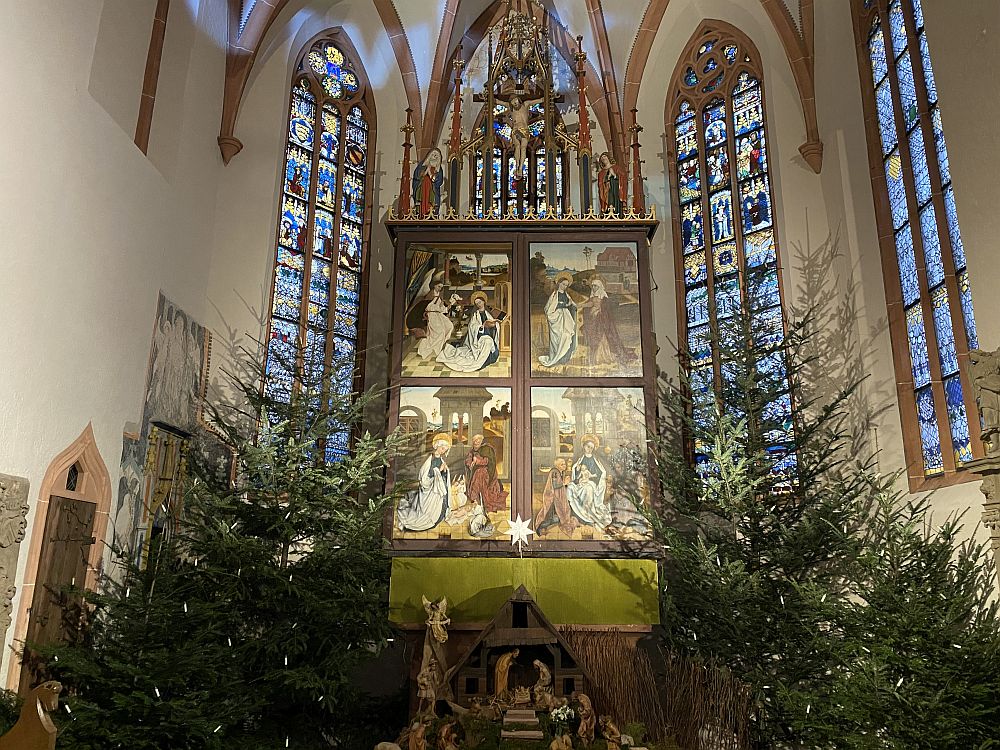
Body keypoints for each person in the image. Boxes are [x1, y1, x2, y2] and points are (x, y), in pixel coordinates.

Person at [397, 434, 453, 532]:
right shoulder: (430, 458)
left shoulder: (440, 458)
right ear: (438, 445)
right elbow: (425, 476)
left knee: (440, 507)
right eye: (442, 448)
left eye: (445, 450)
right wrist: (439, 470)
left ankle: (436, 519)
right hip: (430, 489)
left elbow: (441, 472)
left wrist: (445, 470)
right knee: (425, 514)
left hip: (437, 488)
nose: (443, 451)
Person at [578, 278, 636, 368]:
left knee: (603, 337)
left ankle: (605, 356)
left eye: (595, 286)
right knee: (594, 336)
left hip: (602, 321)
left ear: (600, 286)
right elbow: (590, 304)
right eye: (593, 286)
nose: (593, 287)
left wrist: (598, 311)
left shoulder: (603, 297)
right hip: (595, 319)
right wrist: (580, 305)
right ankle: (596, 357)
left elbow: (605, 309)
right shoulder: (593, 296)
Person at [436, 292, 500, 372]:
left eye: (480, 302)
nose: (479, 304)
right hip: (479, 336)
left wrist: (494, 324)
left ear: (484, 302)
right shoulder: (475, 314)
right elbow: (472, 326)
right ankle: (480, 361)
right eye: (477, 303)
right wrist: (481, 327)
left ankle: (487, 357)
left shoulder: (488, 313)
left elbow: (494, 323)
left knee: (491, 345)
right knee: (487, 341)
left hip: (489, 333)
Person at [566, 435, 612, 529]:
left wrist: (590, 479)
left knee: (588, 489)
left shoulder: (595, 459)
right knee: (570, 487)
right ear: (584, 446)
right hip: (581, 482)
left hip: (591, 483)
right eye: (588, 447)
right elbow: (576, 472)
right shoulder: (580, 458)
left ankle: (588, 515)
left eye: (591, 447)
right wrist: (577, 473)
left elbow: (600, 473)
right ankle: (577, 515)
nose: (589, 449)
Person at [538, 273, 577, 368]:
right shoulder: (554, 294)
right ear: (559, 283)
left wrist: (572, 306)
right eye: (563, 284)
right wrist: (563, 306)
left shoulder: (566, 294)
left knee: (567, 336)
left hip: (566, 317)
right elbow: (549, 308)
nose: (564, 286)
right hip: (557, 318)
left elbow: (572, 303)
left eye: (566, 285)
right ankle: (557, 357)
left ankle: (564, 358)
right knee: (558, 338)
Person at [464, 434, 507, 513]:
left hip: (486, 470)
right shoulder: (472, 450)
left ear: (481, 441)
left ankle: (482, 501)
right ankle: (476, 500)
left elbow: (487, 461)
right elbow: (468, 460)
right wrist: (470, 463)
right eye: (475, 441)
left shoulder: (487, 448)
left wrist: (477, 461)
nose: (476, 442)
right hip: (477, 471)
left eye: (478, 440)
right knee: (477, 477)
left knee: (480, 475)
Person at [533, 458, 577, 536]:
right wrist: (564, 483)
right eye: (562, 464)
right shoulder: (554, 472)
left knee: (557, 513)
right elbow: (555, 485)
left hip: (557, 496)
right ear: (557, 466)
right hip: (552, 496)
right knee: (550, 513)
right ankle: (540, 528)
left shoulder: (559, 472)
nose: (564, 465)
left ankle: (548, 525)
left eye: (564, 464)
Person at [416, 283, 458, 359]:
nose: (440, 288)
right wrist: (440, 306)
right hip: (432, 315)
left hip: (438, 315)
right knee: (440, 332)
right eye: (438, 286)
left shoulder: (438, 296)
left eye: (441, 287)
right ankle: (430, 349)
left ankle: (441, 344)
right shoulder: (430, 295)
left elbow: (441, 309)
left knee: (449, 326)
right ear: (434, 286)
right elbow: (429, 307)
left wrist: (449, 304)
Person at [413, 147, 445, 217]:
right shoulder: (422, 166)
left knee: (432, 204)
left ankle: (431, 214)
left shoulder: (439, 170)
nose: (434, 157)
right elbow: (417, 176)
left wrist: (430, 174)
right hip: (423, 188)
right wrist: (425, 171)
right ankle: (421, 213)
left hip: (432, 190)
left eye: (436, 155)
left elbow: (439, 181)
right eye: (433, 154)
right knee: (422, 201)